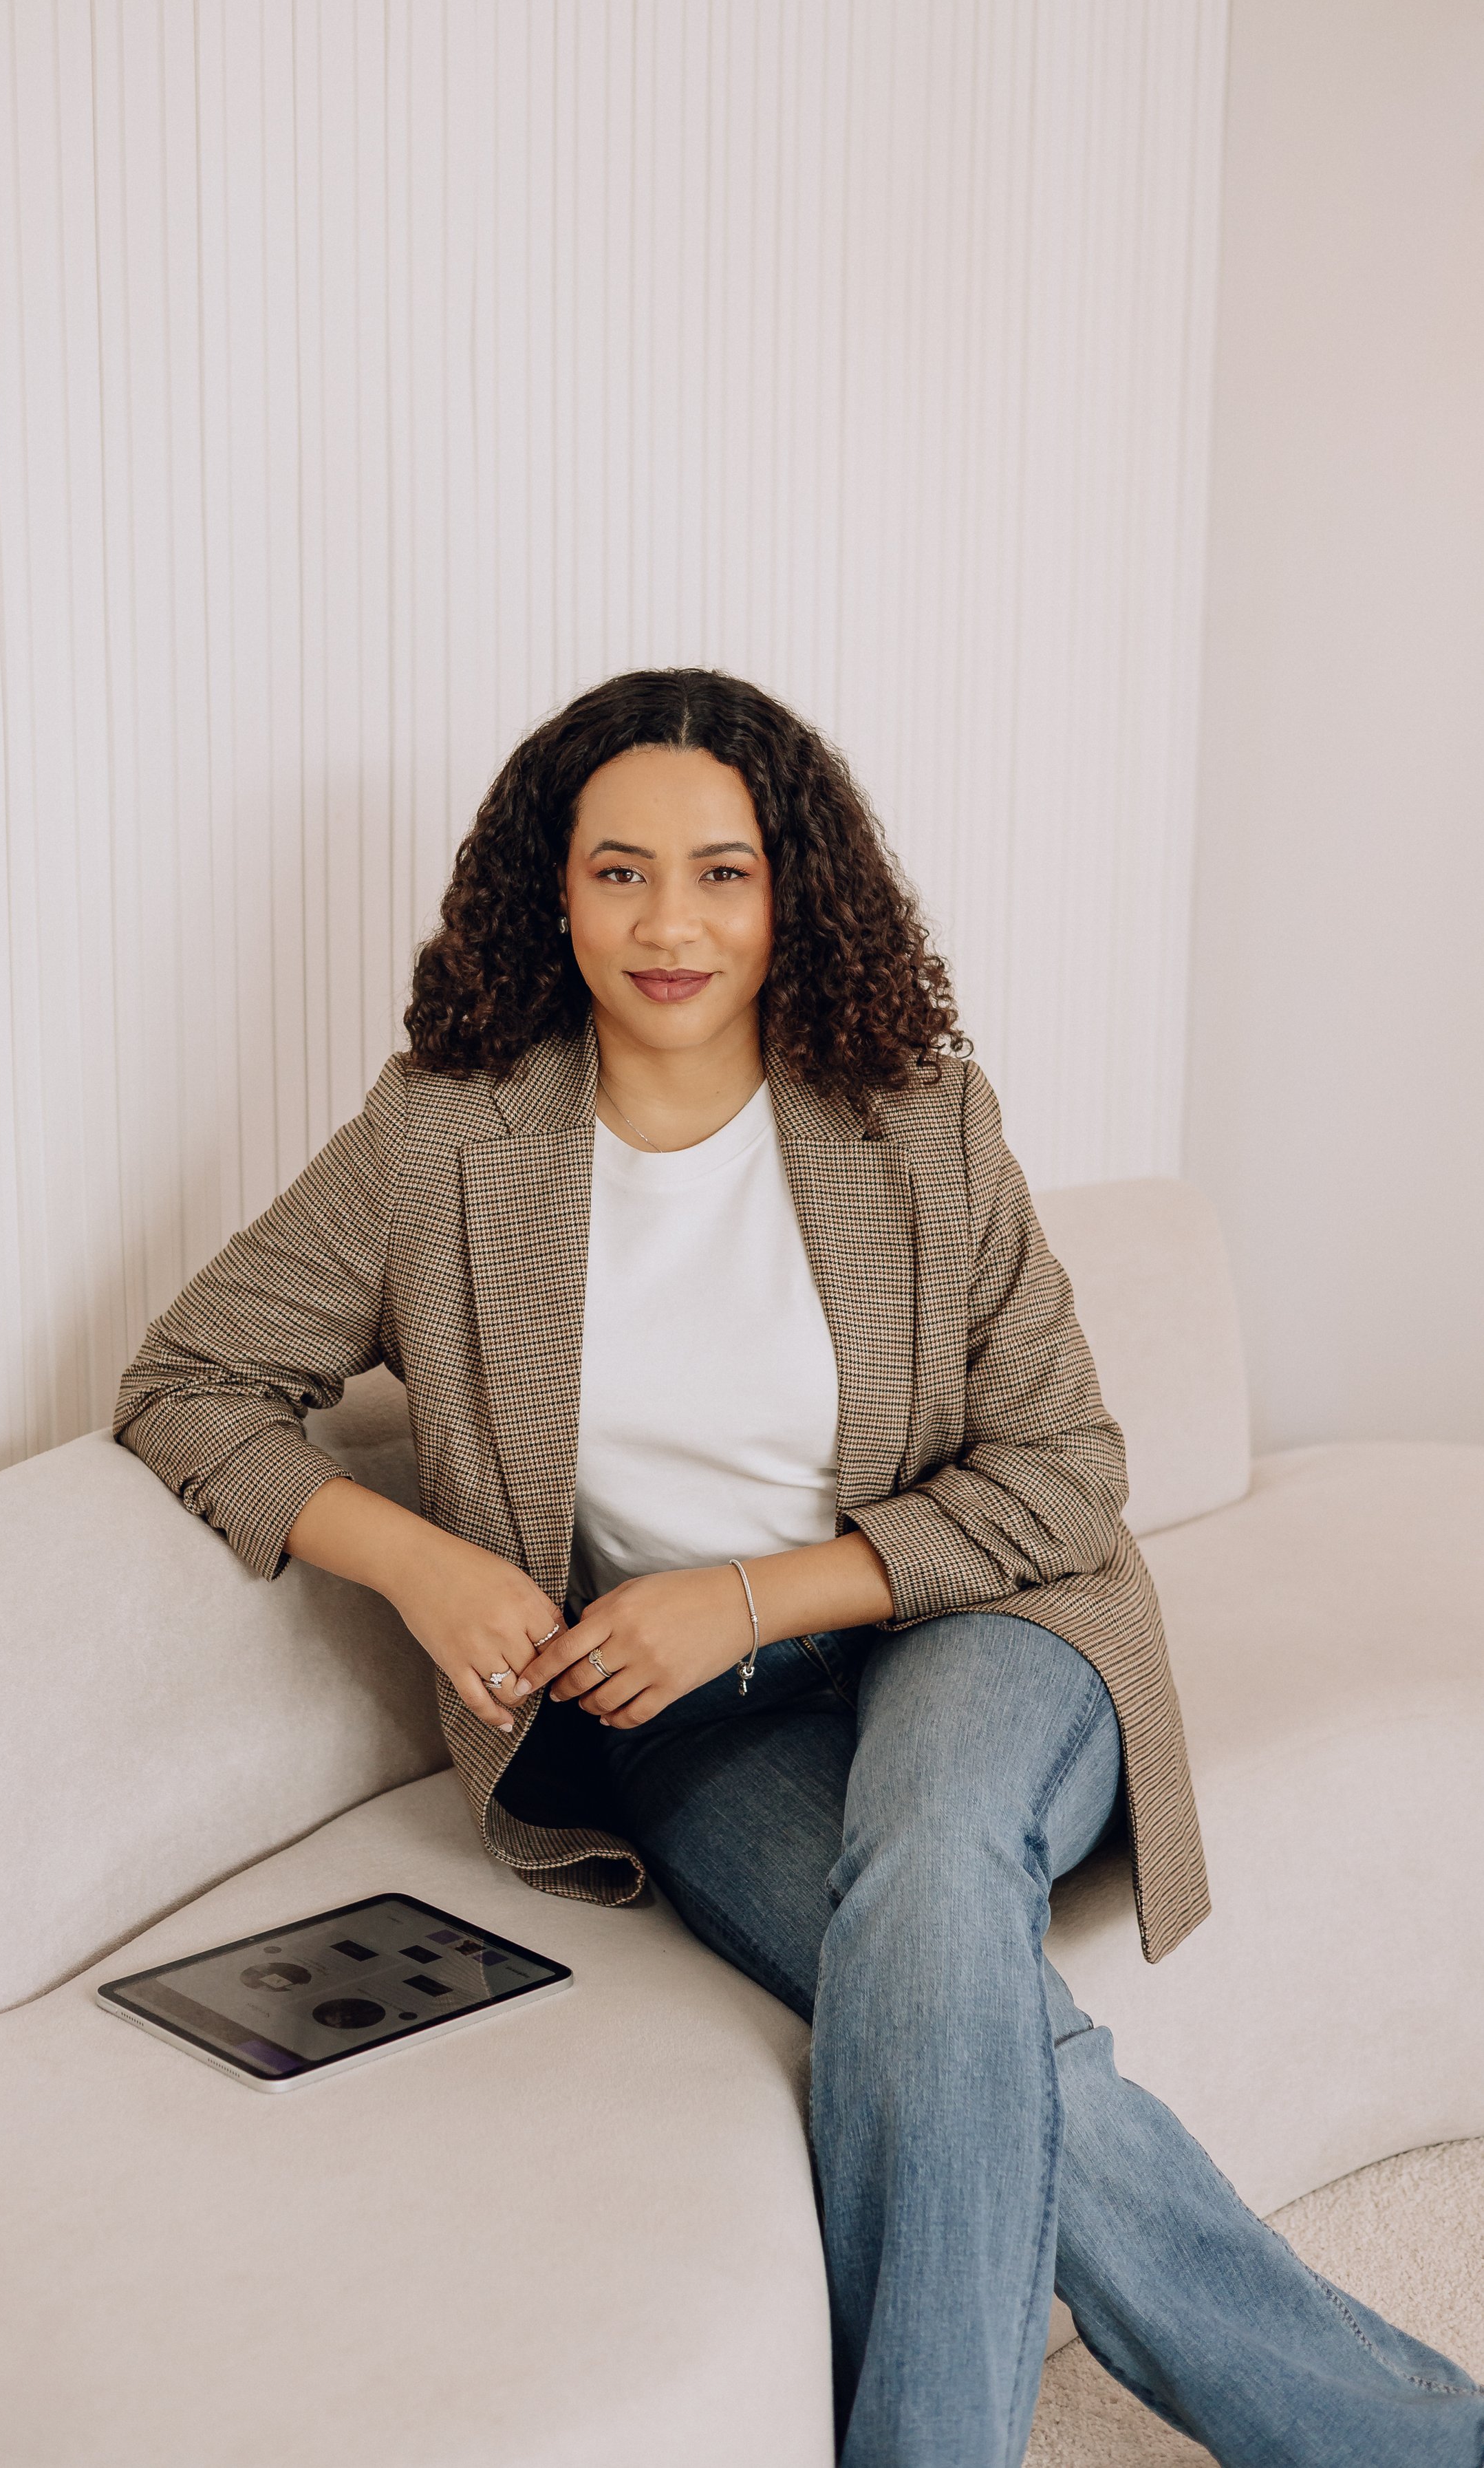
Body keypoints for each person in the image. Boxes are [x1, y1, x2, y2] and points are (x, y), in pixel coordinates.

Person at [115, 669, 1481, 2468]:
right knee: (962, 2006)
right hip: (677, 1724)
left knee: (926, 1866)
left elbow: (1064, 1475)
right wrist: (422, 1567)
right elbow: (190, 1383)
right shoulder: (438, 1142)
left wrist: (756, 1592)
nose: (668, 924)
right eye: (617, 873)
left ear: (791, 891)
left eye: (720, 873)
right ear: (551, 890)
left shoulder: (914, 1117)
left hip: (980, 1629)